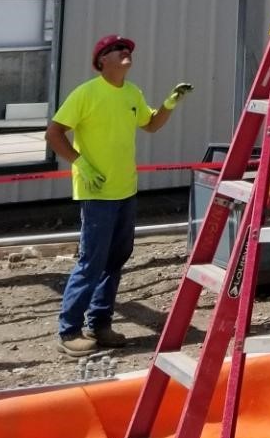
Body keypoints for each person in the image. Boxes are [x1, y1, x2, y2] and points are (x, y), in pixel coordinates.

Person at [46, 36, 191, 356]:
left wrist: (169, 103)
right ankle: (69, 330)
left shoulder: (131, 92)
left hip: (126, 189)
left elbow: (150, 124)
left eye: (128, 50)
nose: (126, 52)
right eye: (118, 49)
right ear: (102, 61)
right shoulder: (86, 93)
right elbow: (54, 133)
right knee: (92, 261)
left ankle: (100, 323)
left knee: (115, 259)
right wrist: (81, 163)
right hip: (97, 192)